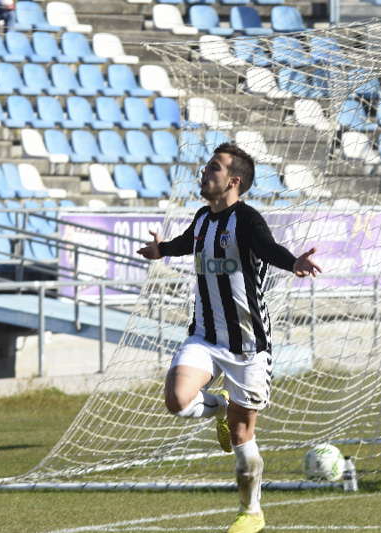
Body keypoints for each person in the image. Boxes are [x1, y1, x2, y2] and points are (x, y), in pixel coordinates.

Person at [137, 143, 322, 533]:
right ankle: (218, 404)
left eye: (214, 168)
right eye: (207, 166)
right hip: (204, 335)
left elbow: (269, 249)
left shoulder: (247, 220)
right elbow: (186, 243)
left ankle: (252, 511)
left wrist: (295, 263)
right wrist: (161, 251)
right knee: (176, 400)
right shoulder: (203, 218)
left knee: (241, 434)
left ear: (233, 181)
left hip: (249, 345)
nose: (204, 173)